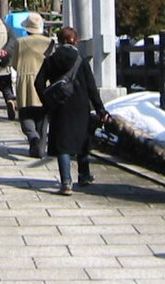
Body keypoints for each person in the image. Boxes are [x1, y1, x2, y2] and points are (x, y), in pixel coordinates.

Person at [36, 26, 110, 195]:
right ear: (75, 41)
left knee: (63, 144)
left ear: (59, 41)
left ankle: (66, 182)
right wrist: (100, 109)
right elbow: (92, 88)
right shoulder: (81, 60)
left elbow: (38, 83)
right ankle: (83, 175)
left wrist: (47, 101)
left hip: (60, 107)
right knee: (83, 140)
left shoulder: (50, 60)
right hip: (80, 106)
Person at [11, 12, 53, 158]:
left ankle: (32, 136)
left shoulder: (20, 42)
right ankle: (40, 149)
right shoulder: (49, 42)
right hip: (45, 82)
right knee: (42, 117)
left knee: (25, 113)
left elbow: (15, 63)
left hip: (25, 82)